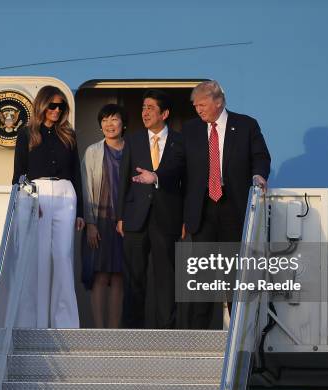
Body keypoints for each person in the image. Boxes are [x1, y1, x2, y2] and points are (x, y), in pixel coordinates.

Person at [133, 80, 271, 329]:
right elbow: (176, 163)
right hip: (202, 210)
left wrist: (259, 175)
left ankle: (237, 331)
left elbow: (260, 156)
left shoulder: (246, 125)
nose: (198, 109)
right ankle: (199, 337)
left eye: (202, 104)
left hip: (234, 208)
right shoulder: (191, 129)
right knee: (203, 278)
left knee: (232, 276)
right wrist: (157, 176)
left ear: (219, 101)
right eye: (195, 105)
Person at [12, 85, 84, 329]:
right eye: (52, 105)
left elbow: (76, 173)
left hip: (66, 194)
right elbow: (19, 174)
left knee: (63, 257)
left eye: (61, 106)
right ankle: (34, 322)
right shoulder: (26, 134)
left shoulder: (69, 135)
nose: (57, 110)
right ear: (42, 105)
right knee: (38, 258)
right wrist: (27, 200)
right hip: (37, 195)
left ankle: (65, 323)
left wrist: (81, 212)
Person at [117, 90, 184, 329]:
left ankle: (167, 332)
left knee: (166, 277)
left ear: (164, 113)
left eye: (150, 108)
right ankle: (132, 332)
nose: (144, 113)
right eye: (143, 107)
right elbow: (123, 179)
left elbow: (184, 180)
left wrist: (185, 218)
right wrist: (120, 216)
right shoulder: (133, 141)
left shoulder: (180, 141)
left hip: (167, 217)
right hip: (135, 218)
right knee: (134, 277)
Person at [81, 104, 126, 328]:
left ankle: (115, 331)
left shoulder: (133, 149)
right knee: (99, 276)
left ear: (123, 123)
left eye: (114, 119)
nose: (109, 124)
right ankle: (100, 330)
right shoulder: (93, 151)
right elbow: (86, 187)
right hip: (99, 220)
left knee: (119, 276)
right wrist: (90, 223)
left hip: (124, 221)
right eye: (105, 120)